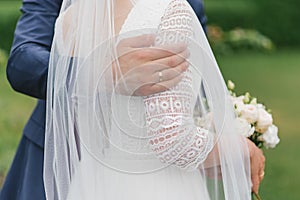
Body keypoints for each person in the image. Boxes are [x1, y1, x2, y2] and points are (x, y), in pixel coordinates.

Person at [43, 0, 265, 200]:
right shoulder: (168, 12)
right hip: (157, 187)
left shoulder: (70, 19)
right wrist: (242, 148)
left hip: (90, 184)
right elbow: (172, 140)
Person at [0, 0, 211, 200]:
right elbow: (23, 60)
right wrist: (102, 73)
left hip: (99, 179)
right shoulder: (174, 10)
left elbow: (194, 80)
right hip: (58, 151)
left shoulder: (69, 19)